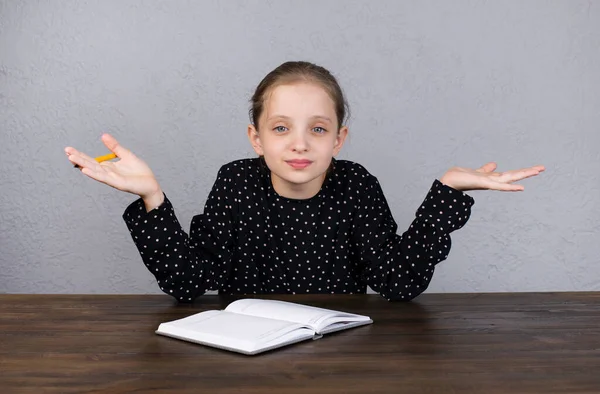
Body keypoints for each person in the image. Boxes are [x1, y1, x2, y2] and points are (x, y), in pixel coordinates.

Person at [65, 61, 544, 303]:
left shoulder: (356, 185)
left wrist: (447, 195)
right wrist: (152, 197)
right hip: (244, 357)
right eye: (280, 128)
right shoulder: (235, 183)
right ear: (256, 138)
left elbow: (398, 284)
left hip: (342, 355)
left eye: (317, 129)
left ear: (339, 138)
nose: (299, 144)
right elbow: (190, 284)